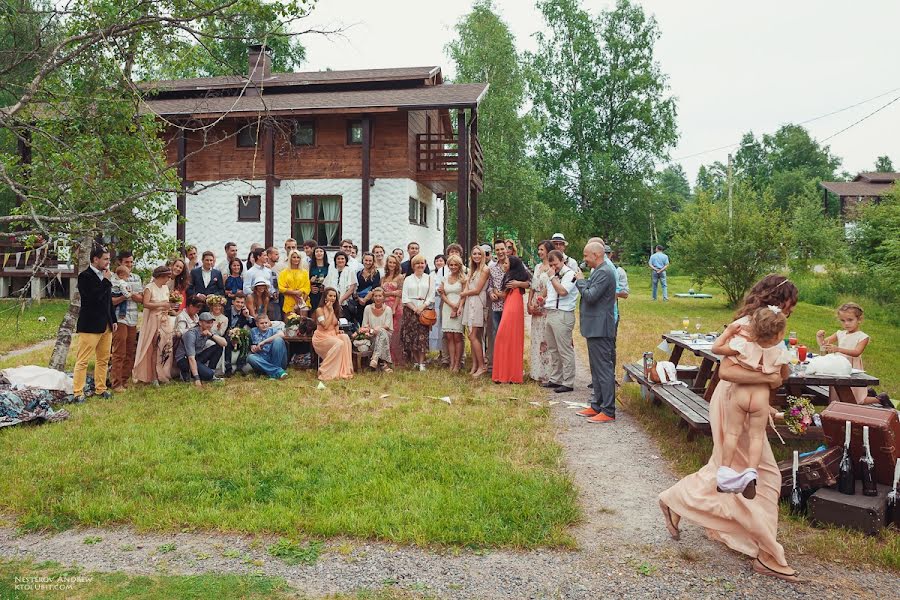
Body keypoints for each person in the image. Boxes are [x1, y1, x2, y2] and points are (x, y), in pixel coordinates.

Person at [659, 274, 804, 583]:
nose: (792, 309)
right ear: (780, 300)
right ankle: (767, 553)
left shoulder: (768, 323)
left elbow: (775, 369)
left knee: (730, 470)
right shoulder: (749, 324)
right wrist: (770, 381)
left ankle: (676, 500)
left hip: (748, 402)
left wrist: (769, 392)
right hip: (732, 401)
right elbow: (728, 370)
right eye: (790, 303)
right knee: (760, 474)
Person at [712, 307, 790, 497]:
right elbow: (783, 377)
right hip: (760, 398)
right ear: (780, 335)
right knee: (756, 437)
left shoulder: (743, 346)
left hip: (740, 395)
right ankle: (751, 474)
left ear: (753, 329)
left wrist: (729, 331)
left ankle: (724, 474)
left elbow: (716, 348)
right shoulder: (780, 353)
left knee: (732, 433)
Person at [574, 242, 617, 423]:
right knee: (596, 369)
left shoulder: (605, 272)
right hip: (594, 328)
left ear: (596, 255)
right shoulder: (599, 270)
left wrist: (580, 280)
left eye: (586, 256)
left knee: (604, 370)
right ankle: (596, 405)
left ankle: (608, 410)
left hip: (601, 328)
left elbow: (590, 296)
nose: (584, 259)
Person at [73, 247, 117, 401]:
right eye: (105, 259)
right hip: (90, 325)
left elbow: (107, 301)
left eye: (109, 259)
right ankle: (78, 392)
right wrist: (105, 281)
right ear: (95, 259)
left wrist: (113, 319)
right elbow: (92, 298)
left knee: (103, 359)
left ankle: (100, 388)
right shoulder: (84, 276)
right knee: (83, 360)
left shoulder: (106, 276)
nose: (108, 262)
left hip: (106, 324)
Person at [816, 302, 874, 404]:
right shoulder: (840, 333)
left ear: (859, 319)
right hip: (839, 367)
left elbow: (857, 352)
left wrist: (838, 349)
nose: (846, 323)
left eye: (850, 320)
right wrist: (820, 337)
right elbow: (824, 346)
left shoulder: (863, 337)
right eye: (843, 321)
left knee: (856, 398)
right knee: (837, 395)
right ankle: (838, 411)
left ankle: (880, 399)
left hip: (852, 368)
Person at [542, 249, 580, 393]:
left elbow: (563, 291)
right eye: (551, 265)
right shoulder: (554, 275)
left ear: (562, 260)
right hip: (551, 312)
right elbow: (552, 294)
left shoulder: (570, 274)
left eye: (555, 264)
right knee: (553, 348)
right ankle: (555, 378)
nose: (553, 268)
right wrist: (543, 300)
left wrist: (552, 278)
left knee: (564, 349)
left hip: (563, 314)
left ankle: (568, 381)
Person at [133, 266, 178, 385]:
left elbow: (167, 304)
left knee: (164, 346)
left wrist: (171, 307)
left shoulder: (165, 288)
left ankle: (162, 373)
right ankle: (152, 376)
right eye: (167, 277)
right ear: (161, 276)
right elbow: (146, 304)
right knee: (153, 346)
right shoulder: (149, 288)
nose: (168, 279)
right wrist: (162, 304)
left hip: (164, 319)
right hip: (153, 319)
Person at [491, 256, 530, 384]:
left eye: (507, 263)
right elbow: (505, 294)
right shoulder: (509, 276)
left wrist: (518, 284)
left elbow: (530, 282)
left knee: (504, 336)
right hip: (510, 302)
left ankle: (508, 374)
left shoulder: (516, 278)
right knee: (507, 338)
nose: (504, 264)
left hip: (513, 306)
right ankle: (505, 374)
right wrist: (495, 292)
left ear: (512, 265)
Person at [109, 250, 143, 392]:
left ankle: (125, 380)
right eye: (126, 262)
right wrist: (125, 296)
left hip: (133, 317)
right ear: (120, 263)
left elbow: (141, 299)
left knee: (130, 350)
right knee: (119, 351)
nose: (129, 265)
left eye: (131, 262)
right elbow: (111, 301)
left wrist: (131, 295)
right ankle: (116, 383)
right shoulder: (113, 278)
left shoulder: (136, 277)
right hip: (119, 318)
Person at [401, 254, 435, 371]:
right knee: (411, 337)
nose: (420, 265)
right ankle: (415, 360)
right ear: (413, 265)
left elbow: (431, 296)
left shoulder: (430, 278)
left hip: (424, 311)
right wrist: (414, 308)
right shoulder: (408, 279)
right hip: (410, 311)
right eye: (417, 263)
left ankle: (422, 362)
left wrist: (422, 307)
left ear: (425, 265)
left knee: (422, 337)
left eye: (422, 263)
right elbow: (404, 297)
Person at [312, 287, 354, 381]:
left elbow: (335, 324)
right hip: (321, 337)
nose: (333, 298)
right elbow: (325, 326)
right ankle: (325, 370)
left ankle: (343, 370)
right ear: (325, 297)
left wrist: (338, 331)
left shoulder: (335, 309)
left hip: (332, 335)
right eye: (330, 295)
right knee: (339, 343)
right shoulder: (320, 310)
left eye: (334, 296)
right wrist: (330, 311)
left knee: (345, 338)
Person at [461, 244, 490, 377]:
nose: (477, 256)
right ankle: (475, 364)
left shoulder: (484, 269)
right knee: (473, 336)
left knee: (473, 335)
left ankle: (482, 366)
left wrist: (463, 294)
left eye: (479, 254)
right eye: (474, 254)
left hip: (477, 302)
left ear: (483, 255)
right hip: (469, 302)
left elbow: (477, 290)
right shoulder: (472, 270)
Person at [527, 241, 554, 384]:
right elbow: (532, 286)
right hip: (535, 300)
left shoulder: (552, 267)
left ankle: (547, 373)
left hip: (546, 303)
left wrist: (541, 302)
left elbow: (551, 288)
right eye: (538, 249)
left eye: (541, 249)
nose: (539, 252)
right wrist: (529, 303)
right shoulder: (537, 267)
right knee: (536, 338)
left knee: (546, 339)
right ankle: (535, 372)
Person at [176, 312, 226, 385]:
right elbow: (191, 358)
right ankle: (187, 373)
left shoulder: (208, 331)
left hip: (196, 356)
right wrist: (197, 379)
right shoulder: (191, 334)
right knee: (208, 375)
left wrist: (211, 335)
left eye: (211, 323)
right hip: (184, 359)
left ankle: (211, 374)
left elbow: (224, 343)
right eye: (207, 323)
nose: (210, 325)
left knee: (219, 346)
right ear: (200, 323)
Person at [439, 255, 466, 372]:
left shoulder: (463, 278)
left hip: (459, 308)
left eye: (456, 265)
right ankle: (451, 362)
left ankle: (458, 363)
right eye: (451, 265)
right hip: (447, 307)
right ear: (448, 266)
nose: (453, 267)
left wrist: (458, 306)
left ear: (459, 266)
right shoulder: (445, 278)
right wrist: (451, 305)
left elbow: (464, 294)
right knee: (449, 336)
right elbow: (442, 293)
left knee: (457, 336)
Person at [381, 254, 406, 367]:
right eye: (390, 262)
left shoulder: (400, 277)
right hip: (384, 307)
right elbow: (381, 293)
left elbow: (400, 294)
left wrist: (394, 308)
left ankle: (396, 360)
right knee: (386, 333)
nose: (392, 265)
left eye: (394, 263)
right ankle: (386, 358)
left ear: (397, 265)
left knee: (395, 333)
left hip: (395, 307)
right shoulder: (383, 278)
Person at [361, 287, 393, 372]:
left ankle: (375, 357)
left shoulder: (388, 309)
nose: (378, 298)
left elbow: (387, 326)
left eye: (380, 296)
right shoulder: (367, 308)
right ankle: (384, 364)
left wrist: (378, 329)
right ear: (373, 297)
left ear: (384, 297)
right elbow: (365, 325)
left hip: (386, 335)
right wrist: (372, 331)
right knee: (380, 334)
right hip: (371, 335)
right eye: (375, 296)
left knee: (382, 331)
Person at [247, 313, 288, 379]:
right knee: (250, 357)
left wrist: (263, 342)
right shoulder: (253, 331)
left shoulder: (273, 330)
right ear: (257, 324)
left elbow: (281, 334)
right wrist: (254, 348)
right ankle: (277, 371)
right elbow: (252, 346)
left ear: (269, 322)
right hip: (264, 359)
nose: (264, 325)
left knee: (278, 340)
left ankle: (273, 372)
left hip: (277, 358)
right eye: (262, 323)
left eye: (266, 323)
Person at [223, 293, 254, 377]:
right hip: (226, 335)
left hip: (238, 337)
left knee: (246, 337)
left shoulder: (243, 314)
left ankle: (240, 366)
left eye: (242, 303)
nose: (240, 304)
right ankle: (228, 368)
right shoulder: (226, 311)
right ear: (233, 302)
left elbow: (254, 325)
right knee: (227, 340)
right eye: (238, 302)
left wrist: (248, 316)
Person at [323, 251, 357, 319]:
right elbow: (326, 287)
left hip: (345, 303)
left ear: (346, 260)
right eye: (338, 259)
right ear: (335, 260)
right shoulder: (332, 271)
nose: (340, 260)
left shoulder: (350, 271)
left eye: (342, 259)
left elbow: (351, 289)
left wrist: (340, 301)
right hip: (331, 303)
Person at [278, 250, 311, 315]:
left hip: (302, 300)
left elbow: (307, 288)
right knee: (290, 323)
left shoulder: (304, 272)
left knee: (303, 323)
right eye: (294, 257)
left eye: (298, 257)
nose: (296, 259)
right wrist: (294, 292)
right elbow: (281, 288)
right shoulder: (284, 273)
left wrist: (300, 303)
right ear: (290, 258)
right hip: (289, 301)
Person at [354, 252, 381, 323]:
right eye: (366, 260)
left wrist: (365, 299)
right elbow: (355, 288)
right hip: (359, 302)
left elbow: (374, 288)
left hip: (371, 301)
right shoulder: (358, 273)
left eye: (370, 261)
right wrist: (359, 299)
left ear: (373, 261)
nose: (368, 262)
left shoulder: (376, 273)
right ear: (363, 260)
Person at [430, 253, 447, 355]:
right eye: (437, 261)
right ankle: (439, 352)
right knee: (435, 327)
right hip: (434, 302)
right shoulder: (431, 274)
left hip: (443, 301)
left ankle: (445, 353)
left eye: (441, 260)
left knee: (442, 327)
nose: (439, 262)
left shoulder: (447, 273)